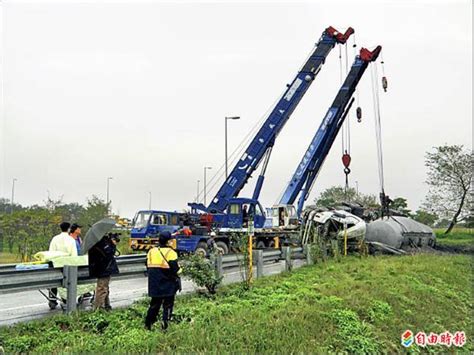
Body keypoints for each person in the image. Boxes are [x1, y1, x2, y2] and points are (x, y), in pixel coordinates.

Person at [145, 231, 181, 331]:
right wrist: (181, 270)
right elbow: (176, 269)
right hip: (168, 283)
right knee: (168, 305)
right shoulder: (171, 253)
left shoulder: (151, 251)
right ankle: (165, 326)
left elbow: (147, 265)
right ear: (168, 241)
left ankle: (148, 325)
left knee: (154, 305)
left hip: (154, 283)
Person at [88, 233, 119, 311]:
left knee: (105, 288)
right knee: (102, 288)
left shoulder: (96, 240)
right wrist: (113, 244)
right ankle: (98, 309)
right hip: (103, 267)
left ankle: (106, 306)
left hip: (101, 267)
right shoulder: (101, 242)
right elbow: (109, 253)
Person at [48, 221, 75, 307]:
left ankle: (52, 300)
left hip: (56, 263)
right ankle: (65, 299)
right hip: (67, 264)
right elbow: (74, 254)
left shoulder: (55, 238)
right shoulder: (71, 239)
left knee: (54, 282)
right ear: (69, 229)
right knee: (67, 283)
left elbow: (51, 252)